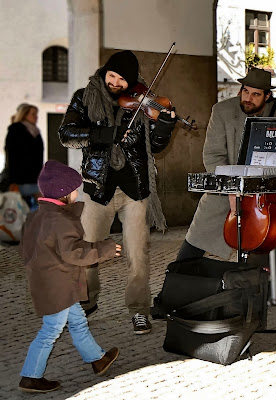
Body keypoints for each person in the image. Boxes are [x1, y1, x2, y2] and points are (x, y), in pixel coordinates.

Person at [175, 68, 276, 311]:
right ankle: (174, 288)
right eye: (245, 91)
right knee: (198, 234)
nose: (247, 98)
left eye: (255, 94)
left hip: (267, 190)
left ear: (268, 96)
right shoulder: (222, 111)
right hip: (228, 187)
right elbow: (213, 155)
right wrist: (232, 188)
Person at [59, 50, 177, 334]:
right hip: (97, 188)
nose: (115, 83)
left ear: (132, 81)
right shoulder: (84, 96)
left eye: (122, 79)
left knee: (138, 254)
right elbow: (66, 134)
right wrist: (101, 135)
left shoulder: (142, 100)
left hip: (134, 188)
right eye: (112, 75)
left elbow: (156, 146)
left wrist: (165, 125)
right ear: (105, 72)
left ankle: (139, 310)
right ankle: (86, 305)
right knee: (87, 252)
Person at [18, 160, 121, 393]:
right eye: (75, 189)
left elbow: (26, 249)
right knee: (51, 330)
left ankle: (97, 359)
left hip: (50, 282)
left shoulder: (37, 216)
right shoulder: (61, 220)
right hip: (59, 285)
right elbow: (74, 253)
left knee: (77, 321)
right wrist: (104, 249)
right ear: (64, 193)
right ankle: (30, 376)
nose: (78, 192)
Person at [4, 103, 43, 209]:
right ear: (24, 115)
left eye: (36, 114)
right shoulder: (16, 130)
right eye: (33, 114)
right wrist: (13, 180)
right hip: (21, 179)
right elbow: (11, 157)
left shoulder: (35, 132)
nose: (36, 117)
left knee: (32, 210)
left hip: (34, 178)